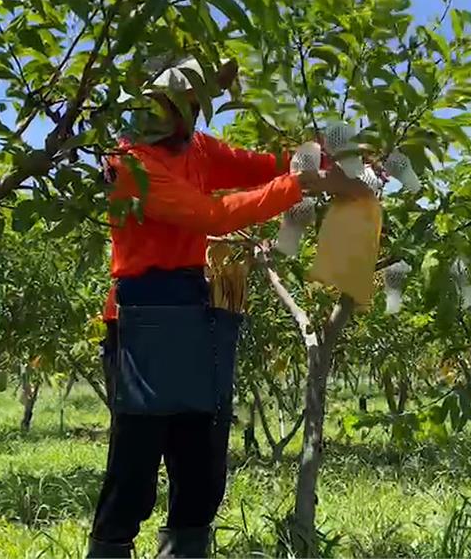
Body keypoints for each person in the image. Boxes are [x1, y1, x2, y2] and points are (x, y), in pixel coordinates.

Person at [86, 57, 368, 559]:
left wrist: (316, 157)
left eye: (186, 105)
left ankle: (186, 546)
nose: (177, 115)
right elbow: (209, 214)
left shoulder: (195, 148)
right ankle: (111, 547)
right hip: (143, 310)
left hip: (192, 304)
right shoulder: (128, 166)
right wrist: (302, 185)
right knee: (136, 453)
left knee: (201, 449)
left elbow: (258, 165)